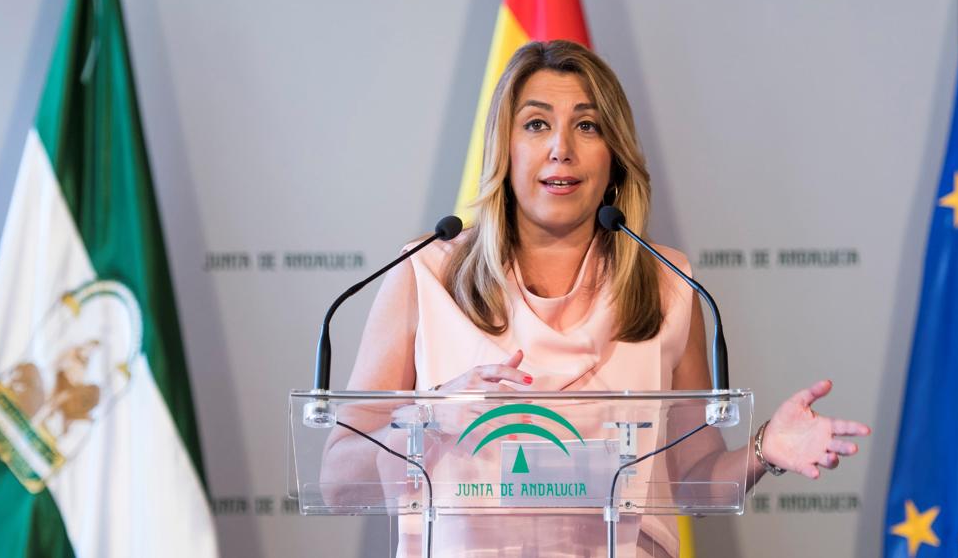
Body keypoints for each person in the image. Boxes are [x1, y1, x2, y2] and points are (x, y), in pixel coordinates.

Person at [330, 40, 871, 557]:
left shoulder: (667, 284)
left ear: (613, 155)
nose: (561, 149)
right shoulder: (425, 275)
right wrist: (434, 416)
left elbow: (690, 480)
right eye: (536, 124)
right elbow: (338, 480)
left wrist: (763, 450)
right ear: (505, 148)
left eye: (586, 126)